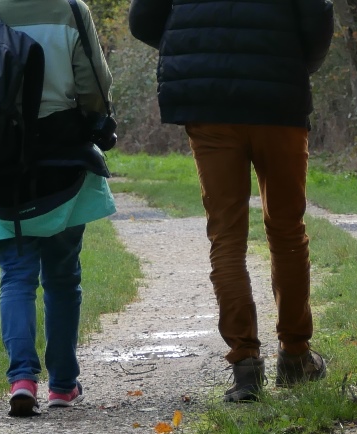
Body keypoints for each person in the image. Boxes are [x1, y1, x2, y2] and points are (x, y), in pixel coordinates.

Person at [128, 0, 335, 402]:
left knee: (226, 234)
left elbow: (143, 20)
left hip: (209, 102)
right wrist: (294, 61)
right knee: (287, 228)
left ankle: (245, 366)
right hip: (278, 97)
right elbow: (317, 18)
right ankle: (295, 355)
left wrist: (197, 52)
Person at [0, 0, 117, 416]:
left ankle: (22, 379)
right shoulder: (71, 9)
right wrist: (96, 118)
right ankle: (61, 384)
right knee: (62, 277)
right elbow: (95, 84)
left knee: (16, 277)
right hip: (62, 155)